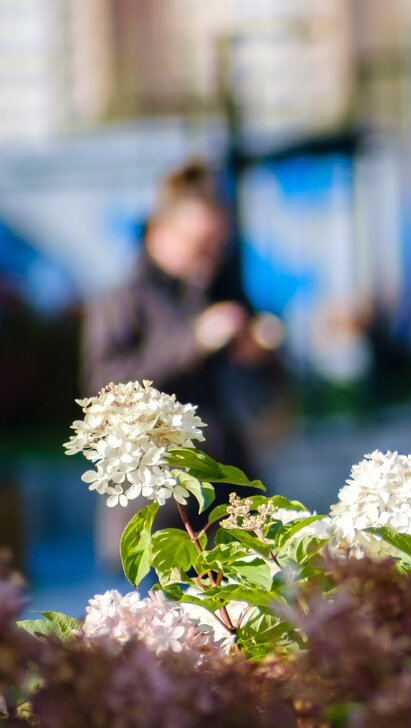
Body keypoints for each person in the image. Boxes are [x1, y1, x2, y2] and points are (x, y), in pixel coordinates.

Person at [83, 159, 283, 567]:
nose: (210, 257)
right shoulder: (121, 301)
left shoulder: (219, 290)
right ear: (160, 233)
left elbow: (264, 394)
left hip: (231, 498)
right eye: (200, 244)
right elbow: (100, 389)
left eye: (218, 245)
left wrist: (261, 356)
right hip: (158, 511)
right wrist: (194, 341)